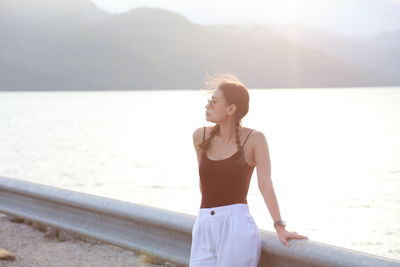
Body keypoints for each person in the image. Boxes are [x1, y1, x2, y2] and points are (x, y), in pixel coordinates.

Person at [190, 73, 308, 266]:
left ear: (231, 108)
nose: (207, 106)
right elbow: (204, 184)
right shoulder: (200, 136)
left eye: (213, 101)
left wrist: (279, 225)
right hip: (204, 224)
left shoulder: (254, 139)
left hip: (237, 227)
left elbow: (265, 183)